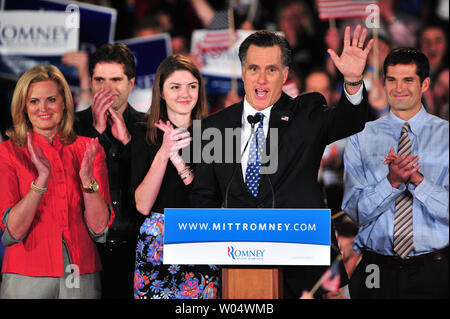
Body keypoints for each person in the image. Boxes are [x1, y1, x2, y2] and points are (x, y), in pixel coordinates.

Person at [190, 26, 374, 298]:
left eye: (271, 70)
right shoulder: (211, 128)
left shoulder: (306, 113)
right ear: (242, 72)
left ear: (285, 74)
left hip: (306, 269)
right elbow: (202, 199)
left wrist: (353, 81)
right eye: (254, 68)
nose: (261, 79)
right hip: (240, 271)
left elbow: (350, 121)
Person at [342, 47, 449, 298]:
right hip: (375, 270)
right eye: (392, 80)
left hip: (435, 270)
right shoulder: (361, 136)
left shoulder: (447, 136)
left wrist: (418, 181)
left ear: (424, 84)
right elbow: (354, 211)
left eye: (408, 80)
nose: (398, 88)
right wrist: (391, 182)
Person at [0, 65, 113, 298]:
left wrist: (87, 181)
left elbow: (100, 228)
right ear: (23, 107)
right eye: (33, 101)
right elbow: (13, 230)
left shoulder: (89, 149)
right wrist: (40, 181)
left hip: (81, 271)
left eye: (51, 99)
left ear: (65, 103)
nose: (43, 108)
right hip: (26, 273)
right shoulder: (7, 152)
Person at [131, 55, 219, 299]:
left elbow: (211, 199)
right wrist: (164, 151)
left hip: (200, 239)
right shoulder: (142, 132)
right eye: (175, 87)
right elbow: (143, 204)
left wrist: (180, 162)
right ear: (161, 91)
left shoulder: (213, 134)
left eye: (192, 86)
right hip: (157, 246)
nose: (185, 94)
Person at [74, 43, 145, 299]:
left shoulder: (148, 128)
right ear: (90, 81)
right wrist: (95, 131)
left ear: (131, 83)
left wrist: (126, 144)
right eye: (99, 79)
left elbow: (146, 188)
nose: (107, 88)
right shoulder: (72, 126)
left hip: (136, 250)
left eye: (116, 79)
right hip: (85, 252)